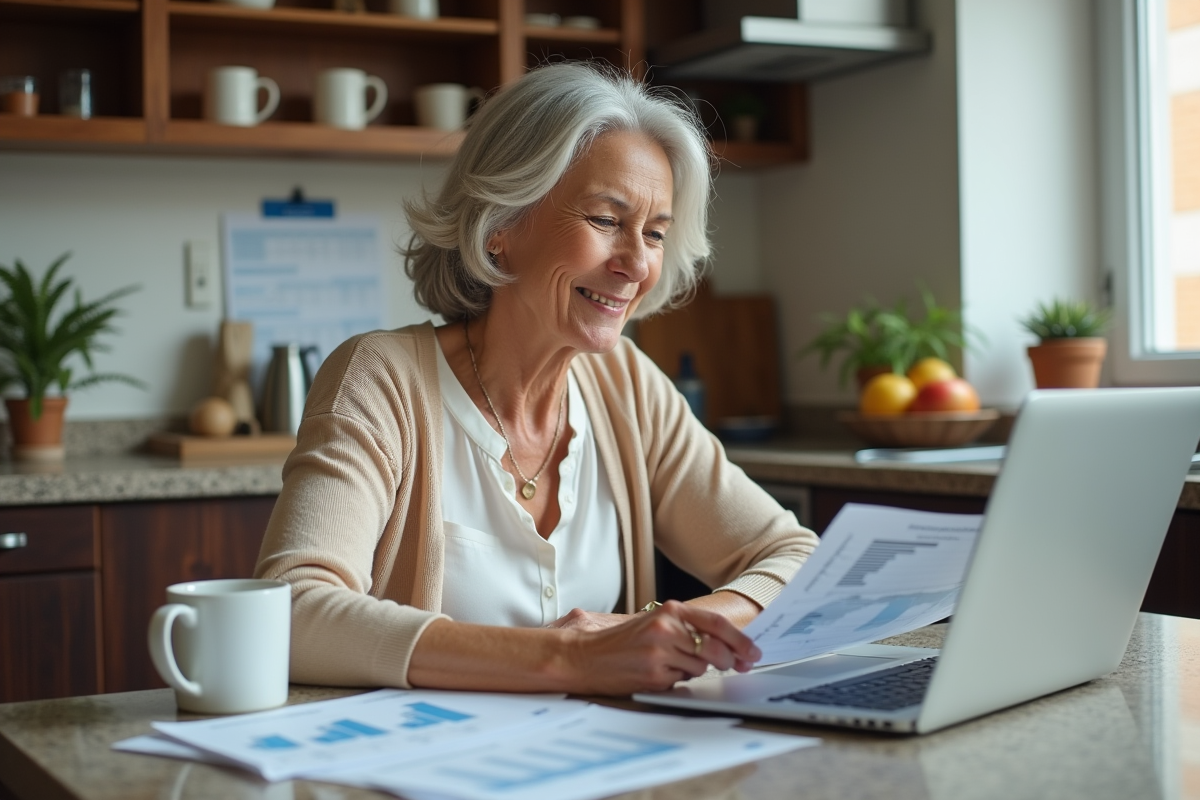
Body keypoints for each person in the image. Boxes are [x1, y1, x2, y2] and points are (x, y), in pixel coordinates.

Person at [254, 62, 819, 696]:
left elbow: (796, 560)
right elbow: (292, 612)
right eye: (606, 221)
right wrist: (568, 659)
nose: (636, 263)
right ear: (500, 226)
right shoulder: (380, 378)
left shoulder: (628, 386)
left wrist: (672, 630)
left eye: (655, 234)